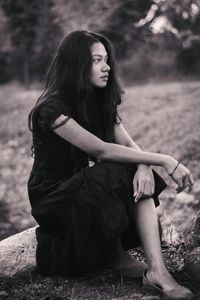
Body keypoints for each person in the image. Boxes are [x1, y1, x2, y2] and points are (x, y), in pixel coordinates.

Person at [28, 30, 194, 300]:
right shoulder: (51, 109)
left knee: (135, 168)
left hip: (84, 186)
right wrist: (166, 160)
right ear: (75, 64)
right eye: (96, 60)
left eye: (106, 59)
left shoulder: (100, 100)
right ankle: (134, 262)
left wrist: (143, 167)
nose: (106, 67)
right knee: (125, 168)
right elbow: (100, 150)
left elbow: (128, 146)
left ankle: (157, 271)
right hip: (54, 198)